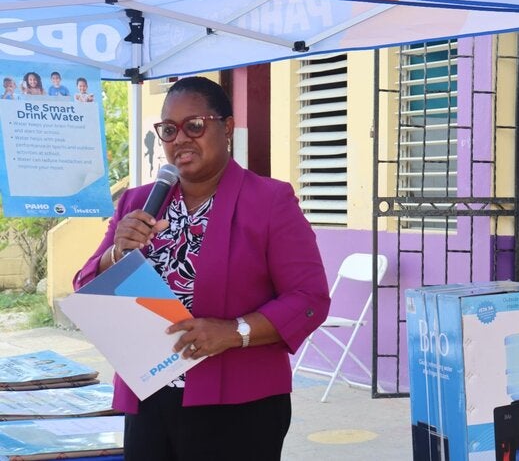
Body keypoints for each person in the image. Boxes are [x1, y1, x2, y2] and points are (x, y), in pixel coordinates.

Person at [73, 76, 330, 460]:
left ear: (226, 127)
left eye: (194, 125)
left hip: (239, 406)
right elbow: (86, 285)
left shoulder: (269, 201)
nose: (180, 139)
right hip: (148, 398)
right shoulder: (137, 202)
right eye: (169, 130)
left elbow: (309, 298)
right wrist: (115, 252)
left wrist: (234, 331)